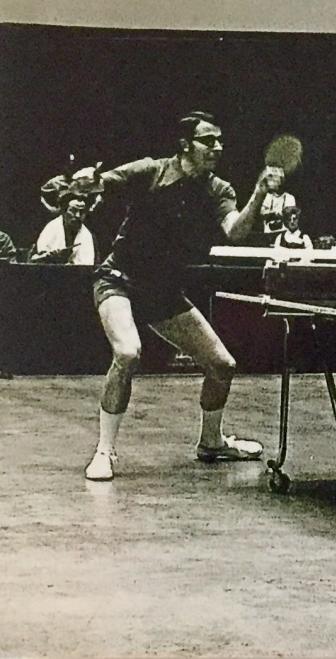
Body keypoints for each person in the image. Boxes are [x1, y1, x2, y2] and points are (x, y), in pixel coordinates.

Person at [72, 110, 273, 481]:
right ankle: (104, 451)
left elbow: (235, 231)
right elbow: (102, 183)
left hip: (162, 290)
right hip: (118, 279)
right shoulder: (151, 171)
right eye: (207, 140)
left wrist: (259, 192)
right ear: (185, 144)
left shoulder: (218, 189)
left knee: (222, 365)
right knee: (128, 352)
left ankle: (211, 442)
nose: (217, 147)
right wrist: (87, 181)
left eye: (219, 141)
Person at [30, 187, 97, 265]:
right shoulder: (51, 229)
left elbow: (88, 266)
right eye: (73, 211)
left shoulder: (87, 236)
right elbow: (38, 260)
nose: (78, 215)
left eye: (82, 212)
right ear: (64, 212)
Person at [258, 168, 297, 246]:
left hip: (284, 234)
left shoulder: (290, 198)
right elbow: (261, 213)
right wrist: (274, 213)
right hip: (269, 234)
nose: (273, 181)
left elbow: (290, 215)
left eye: (276, 179)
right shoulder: (268, 197)